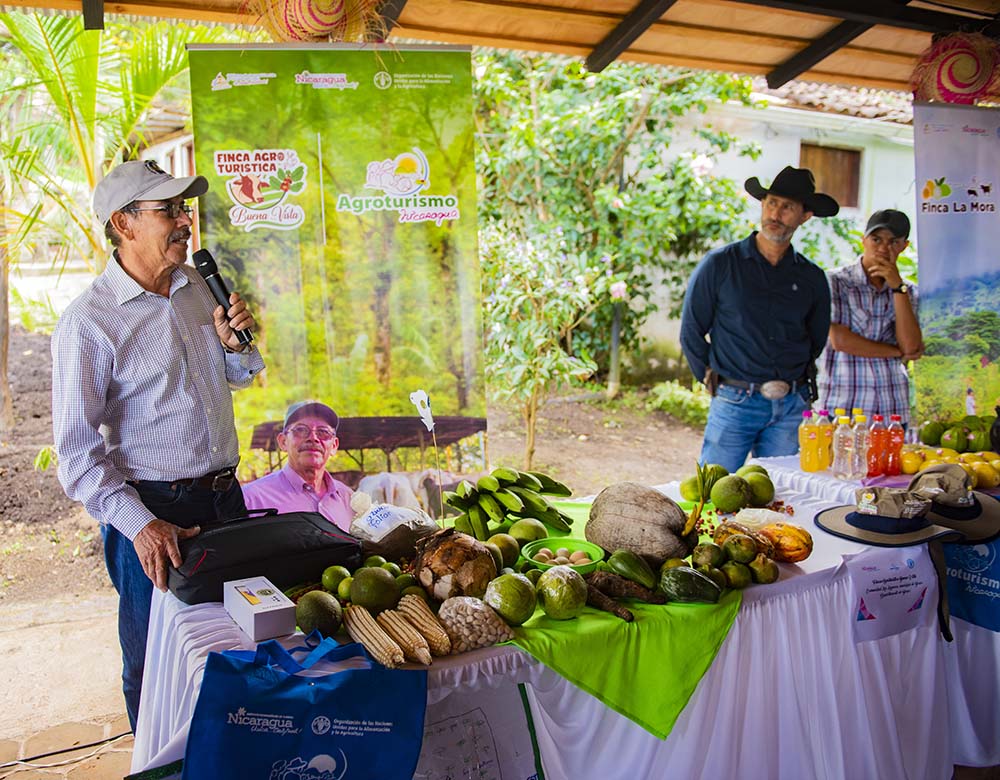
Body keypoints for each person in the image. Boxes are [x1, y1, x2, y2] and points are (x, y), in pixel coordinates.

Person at [51, 159, 265, 731]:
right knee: (155, 663)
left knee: (242, 647)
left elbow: (232, 378)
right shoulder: (89, 322)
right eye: (168, 210)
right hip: (155, 514)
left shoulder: (196, 287)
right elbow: (76, 456)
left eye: (183, 208)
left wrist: (236, 347)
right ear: (124, 223)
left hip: (226, 498)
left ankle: (231, 759)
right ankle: (161, 766)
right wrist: (142, 526)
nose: (185, 221)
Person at [680, 166, 837, 473]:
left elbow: (816, 339)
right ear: (763, 205)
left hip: (791, 406)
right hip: (734, 400)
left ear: (805, 216)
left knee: (782, 491)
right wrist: (711, 378)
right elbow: (691, 331)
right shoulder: (720, 265)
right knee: (714, 490)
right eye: (771, 203)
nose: (775, 214)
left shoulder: (812, 277)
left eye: (787, 207)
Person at [818, 209, 923, 426]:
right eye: (876, 239)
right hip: (843, 409)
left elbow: (911, 347)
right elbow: (841, 341)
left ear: (904, 246)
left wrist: (897, 288)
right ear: (863, 240)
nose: (884, 248)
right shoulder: (835, 281)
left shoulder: (909, 292)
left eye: (893, 242)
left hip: (892, 409)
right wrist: (897, 352)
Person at [242, 400, 355, 531]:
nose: (313, 438)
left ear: (334, 446)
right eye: (300, 430)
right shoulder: (252, 499)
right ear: (283, 441)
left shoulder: (348, 499)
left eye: (323, 432)